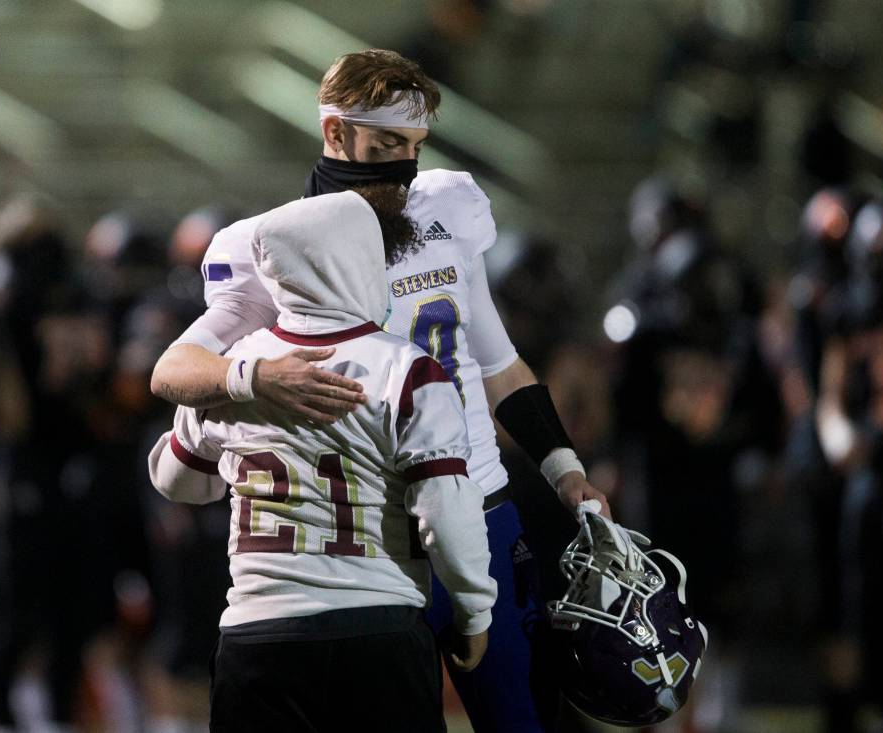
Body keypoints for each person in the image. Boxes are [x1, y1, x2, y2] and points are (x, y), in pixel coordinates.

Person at [150, 49, 608, 732]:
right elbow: (175, 370)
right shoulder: (278, 245)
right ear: (336, 132)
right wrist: (252, 379)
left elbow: (500, 363)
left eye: (415, 145)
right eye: (388, 141)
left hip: (478, 507)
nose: (405, 166)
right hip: (368, 547)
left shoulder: (447, 209)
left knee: (527, 722)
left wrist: (565, 468)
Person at [149, 190, 496, 732]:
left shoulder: (235, 367)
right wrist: (475, 609)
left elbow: (177, 480)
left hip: (259, 634)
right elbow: (446, 509)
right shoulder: (407, 369)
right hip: (377, 626)